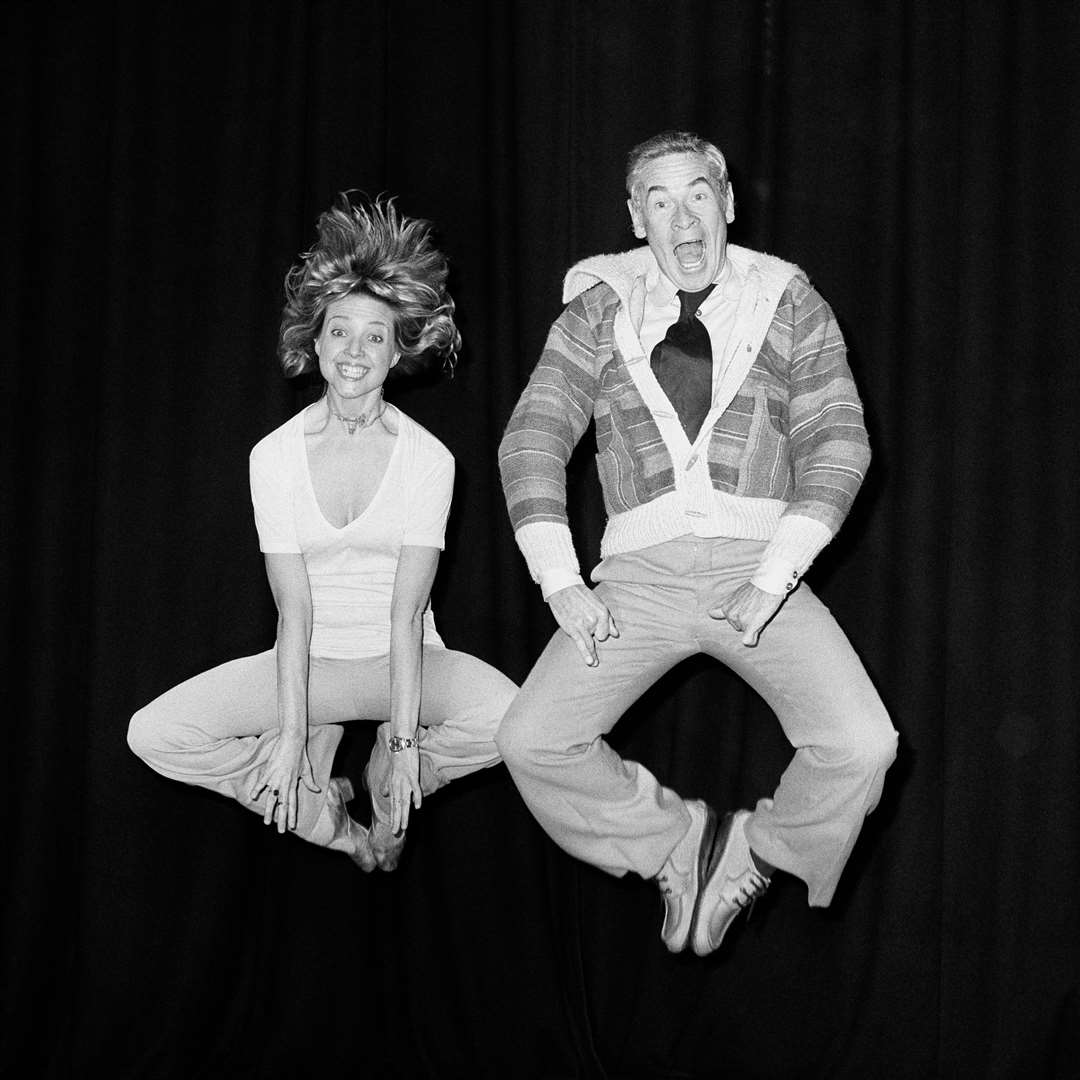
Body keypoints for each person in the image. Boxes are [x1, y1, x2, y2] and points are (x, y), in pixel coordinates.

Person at [496, 131, 897, 955]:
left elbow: (841, 441)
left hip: (760, 573)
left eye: (698, 194)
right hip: (638, 581)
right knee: (529, 739)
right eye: (660, 199)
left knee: (862, 746)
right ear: (636, 218)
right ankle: (674, 842)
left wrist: (777, 572)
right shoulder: (596, 309)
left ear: (728, 203)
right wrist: (559, 581)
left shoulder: (788, 300)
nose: (683, 216)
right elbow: (532, 437)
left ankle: (758, 848)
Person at [129, 194, 515, 871]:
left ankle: (382, 781)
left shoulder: (429, 459)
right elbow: (294, 608)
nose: (355, 351)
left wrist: (402, 753)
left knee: (517, 722)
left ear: (399, 352)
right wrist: (284, 738)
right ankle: (318, 805)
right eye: (341, 331)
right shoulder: (273, 455)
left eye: (375, 335)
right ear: (316, 339)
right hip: (310, 664)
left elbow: (405, 616)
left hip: (406, 662)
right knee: (154, 734)